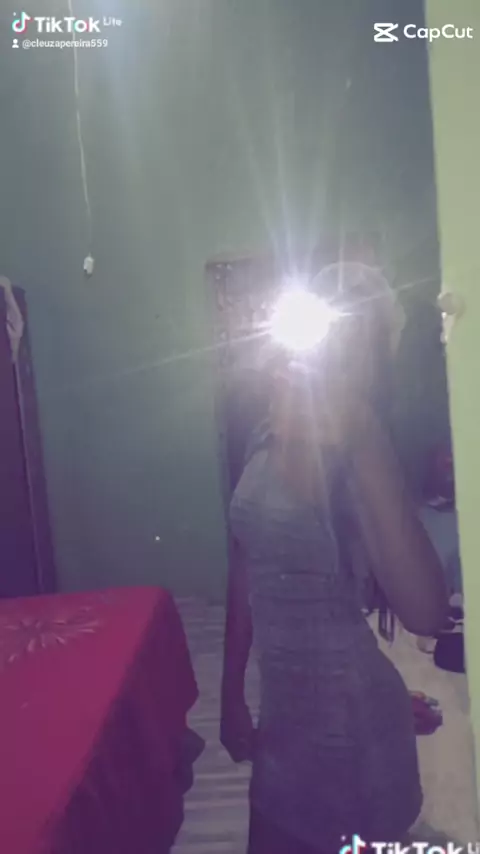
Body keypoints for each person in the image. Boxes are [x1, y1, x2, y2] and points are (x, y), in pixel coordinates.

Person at [220, 262, 448, 854]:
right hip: (281, 728)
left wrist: (361, 432)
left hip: (358, 740)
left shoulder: (361, 444)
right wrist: (229, 692)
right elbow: (244, 566)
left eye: (351, 340)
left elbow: (426, 612)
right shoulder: (262, 433)